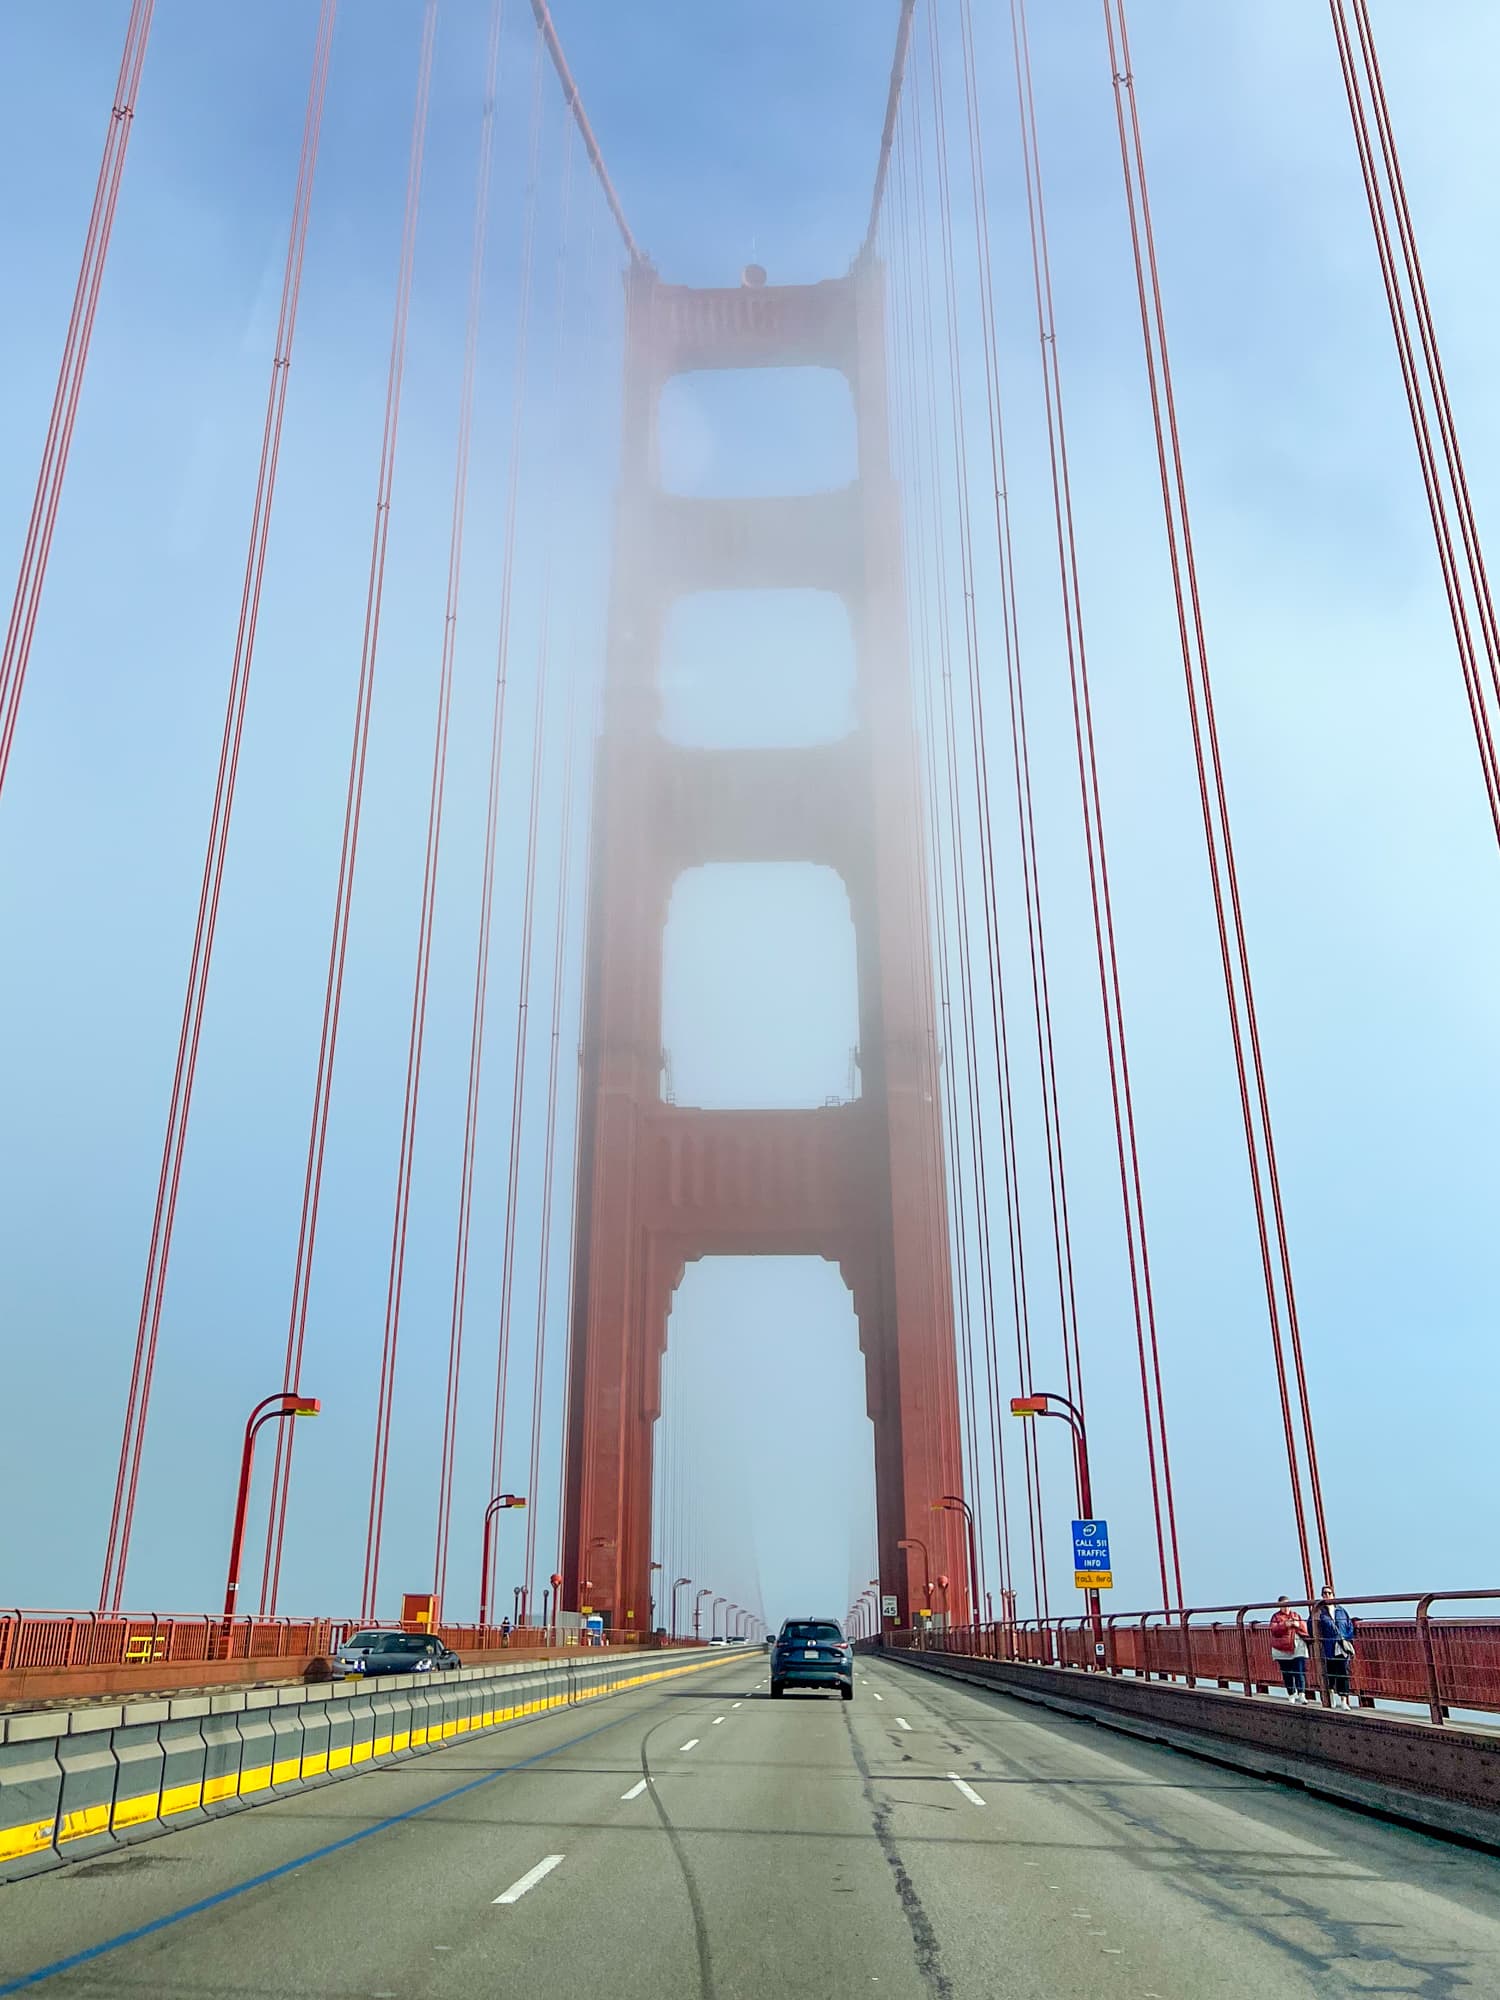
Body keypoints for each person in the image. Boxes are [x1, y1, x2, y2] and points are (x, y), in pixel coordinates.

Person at [1315, 1586, 1357, 1708]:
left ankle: (1344, 1700)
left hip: (1341, 1646)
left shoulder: (1341, 1611)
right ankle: (1331, 1696)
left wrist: (1346, 1638)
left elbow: (1349, 1626)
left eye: (1329, 1593)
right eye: (1324, 1593)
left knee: (1343, 1672)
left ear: (1333, 1595)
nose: (1327, 1595)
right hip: (1328, 1646)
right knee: (1330, 1672)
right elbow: (1312, 1627)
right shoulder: (1319, 1611)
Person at [1267, 1595, 1309, 1701]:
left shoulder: (1296, 1615)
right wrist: (1285, 1625)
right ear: (1279, 1606)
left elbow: (1305, 1628)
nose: (1286, 1607)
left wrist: (1297, 1624)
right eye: (1283, 1605)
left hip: (1297, 1646)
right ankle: (1291, 1693)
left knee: (1299, 1671)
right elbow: (1274, 1629)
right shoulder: (1275, 1617)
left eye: (1288, 1605)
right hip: (1282, 1648)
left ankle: (1302, 1694)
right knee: (1287, 1672)